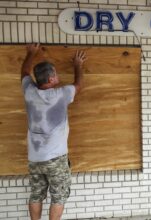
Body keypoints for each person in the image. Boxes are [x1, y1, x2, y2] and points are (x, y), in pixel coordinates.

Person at [21, 43, 87, 220]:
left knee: (36, 194)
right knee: (58, 196)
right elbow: (79, 85)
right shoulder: (60, 95)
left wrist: (31, 53)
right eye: (55, 74)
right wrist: (78, 65)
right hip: (56, 159)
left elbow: (25, 72)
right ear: (50, 79)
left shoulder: (29, 91)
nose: (57, 76)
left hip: (35, 158)